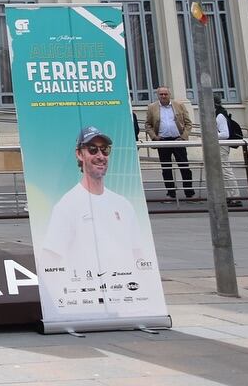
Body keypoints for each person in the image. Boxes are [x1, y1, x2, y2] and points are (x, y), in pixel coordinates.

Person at [39, 127, 156, 315]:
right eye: (92, 149)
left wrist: (150, 296)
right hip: (90, 308)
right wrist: (62, 304)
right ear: (79, 154)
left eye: (105, 150)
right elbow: (48, 262)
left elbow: (139, 257)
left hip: (130, 306)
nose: (100, 155)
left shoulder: (123, 205)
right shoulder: (67, 206)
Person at [144, 86, 194, 201]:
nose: (163, 96)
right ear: (158, 95)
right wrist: (154, 137)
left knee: (184, 166)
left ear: (169, 95)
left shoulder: (179, 105)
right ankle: (171, 193)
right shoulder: (152, 107)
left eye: (165, 94)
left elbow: (188, 123)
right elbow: (148, 125)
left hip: (178, 140)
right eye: (161, 94)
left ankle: (189, 193)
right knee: (166, 168)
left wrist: (183, 137)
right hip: (162, 141)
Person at [214, 96, 244, 208]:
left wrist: (210, 134)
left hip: (222, 146)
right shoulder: (219, 113)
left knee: (226, 171)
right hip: (219, 146)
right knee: (222, 172)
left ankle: (235, 197)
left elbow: (225, 134)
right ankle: (229, 196)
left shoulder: (220, 115)